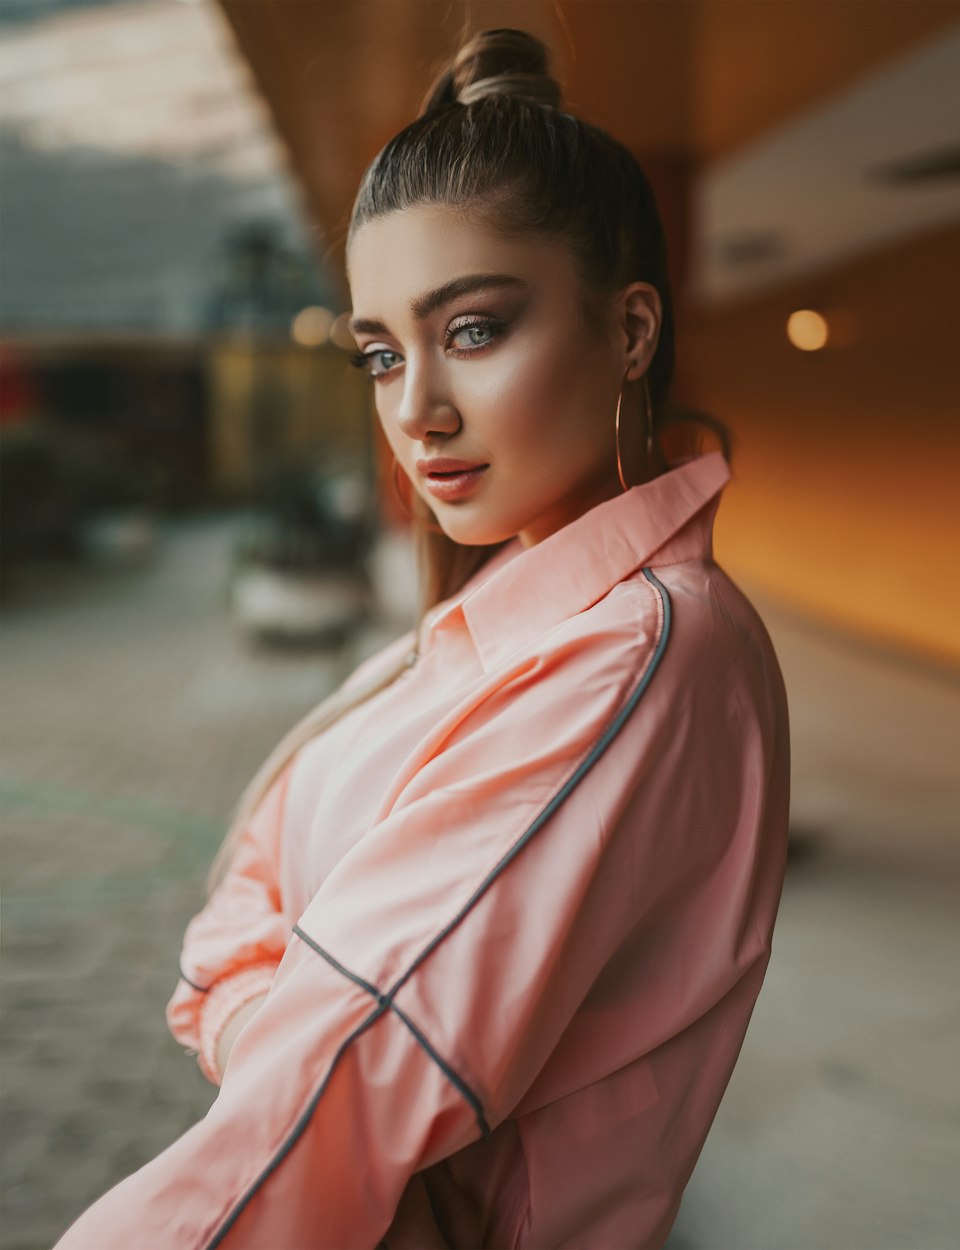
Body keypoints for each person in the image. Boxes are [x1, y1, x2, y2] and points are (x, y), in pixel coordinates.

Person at [54, 27, 789, 1250]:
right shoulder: (513, 617)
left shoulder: (636, 656)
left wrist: (279, 1028)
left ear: (631, 331)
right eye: (383, 353)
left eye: (476, 329)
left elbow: (327, 1100)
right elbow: (252, 879)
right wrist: (273, 1027)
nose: (414, 409)